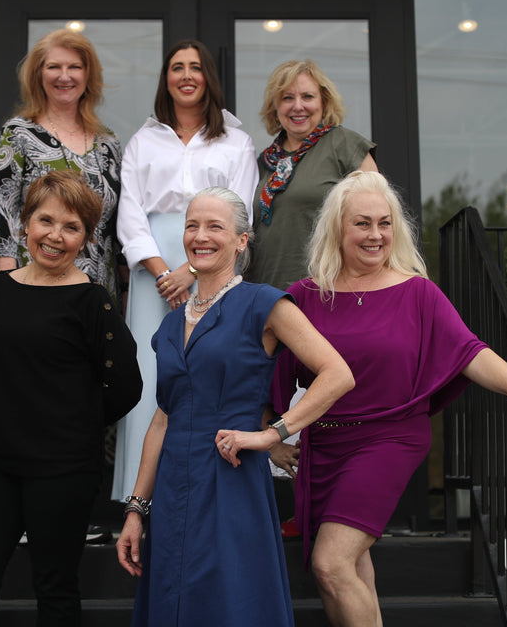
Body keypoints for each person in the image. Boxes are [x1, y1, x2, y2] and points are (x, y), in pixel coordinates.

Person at [270, 170, 507, 627]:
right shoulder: (306, 296)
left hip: (389, 439)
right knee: (350, 568)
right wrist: (272, 433)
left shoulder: (417, 292)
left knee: (331, 562)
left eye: (385, 223)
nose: (376, 235)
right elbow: (266, 368)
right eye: (362, 223)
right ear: (337, 228)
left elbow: (469, 351)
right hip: (324, 446)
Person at [115, 187, 354, 626]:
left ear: (242, 240)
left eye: (215, 226)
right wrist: (136, 509)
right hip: (172, 492)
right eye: (192, 226)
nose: (200, 236)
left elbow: (337, 374)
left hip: (232, 482)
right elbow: (161, 421)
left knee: (231, 605)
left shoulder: (263, 304)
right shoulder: (170, 325)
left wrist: (271, 434)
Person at [0, 171, 142, 625]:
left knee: (54, 590)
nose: (55, 236)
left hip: (64, 469)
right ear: (25, 224)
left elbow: (127, 387)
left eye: (71, 227)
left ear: (85, 239)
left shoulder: (93, 303)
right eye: (46, 221)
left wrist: (73, 425)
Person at [111, 40, 258, 501]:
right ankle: (140, 496)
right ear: (167, 79)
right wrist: (163, 273)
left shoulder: (236, 141)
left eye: (196, 67)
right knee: (152, 368)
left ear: (208, 78)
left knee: (210, 364)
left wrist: (191, 269)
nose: (187, 75)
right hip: (152, 267)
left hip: (214, 257)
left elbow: (241, 211)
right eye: (177, 67)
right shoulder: (143, 140)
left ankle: (201, 488)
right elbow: (130, 213)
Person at [0, 28, 124, 303]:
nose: (64, 76)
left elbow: (116, 227)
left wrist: (125, 290)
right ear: (38, 74)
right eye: (54, 67)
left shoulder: (109, 143)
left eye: (75, 67)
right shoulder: (18, 134)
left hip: (98, 293)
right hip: (33, 290)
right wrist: (8, 288)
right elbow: (1, 215)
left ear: (88, 75)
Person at [246, 58, 379, 291]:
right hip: (266, 293)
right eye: (287, 98)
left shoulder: (344, 145)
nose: (298, 106)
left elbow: (378, 216)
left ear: (323, 102)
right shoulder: (264, 162)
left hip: (326, 291)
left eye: (307, 97)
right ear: (275, 107)